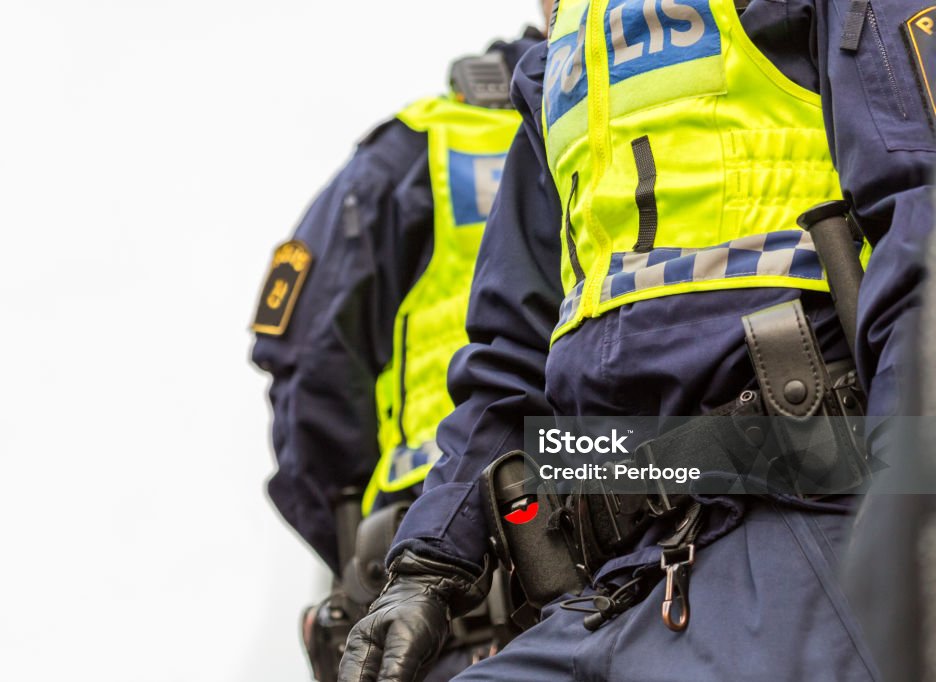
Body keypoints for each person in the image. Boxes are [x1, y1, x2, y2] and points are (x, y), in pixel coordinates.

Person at [338, 0, 935, 680]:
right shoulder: (556, 68)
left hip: (802, 530)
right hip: (614, 587)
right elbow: (510, 359)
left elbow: (922, 232)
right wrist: (429, 564)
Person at [250, 9, 551, 680]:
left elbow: (305, 374)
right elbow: (310, 371)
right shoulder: (422, 147)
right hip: (463, 603)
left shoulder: (408, 155)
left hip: (490, 597)